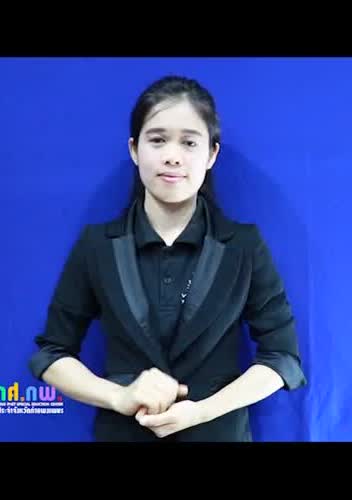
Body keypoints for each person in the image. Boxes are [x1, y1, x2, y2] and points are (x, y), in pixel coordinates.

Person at [28, 74, 306, 442]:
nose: (172, 156)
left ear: (212, 154)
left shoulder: (243, 246)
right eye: (157, 140)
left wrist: (203, 410)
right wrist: (118, 396)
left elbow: (281, 357)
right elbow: (52, 353)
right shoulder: (97, 245)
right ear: (134, 149)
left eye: (189, 142)